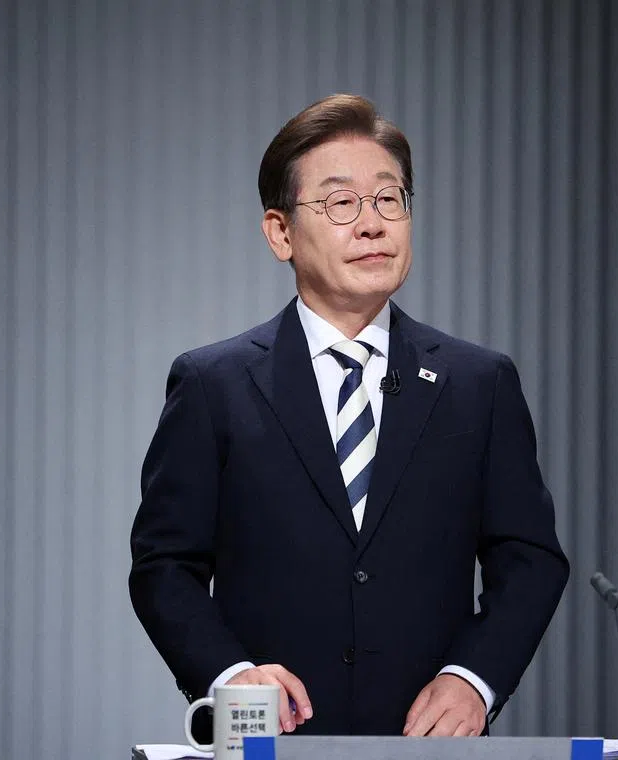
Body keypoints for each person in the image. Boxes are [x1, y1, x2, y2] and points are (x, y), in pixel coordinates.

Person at [129, 94, 569, 738]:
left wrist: (474, 679)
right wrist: (230, 675)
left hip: (428, 745)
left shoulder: (479, 384)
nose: (372, 225)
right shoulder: (212, 385)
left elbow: (529, 558)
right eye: (341, 203)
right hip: (271, 737)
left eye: (389, 199)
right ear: (281, 232)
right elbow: (164, 565)